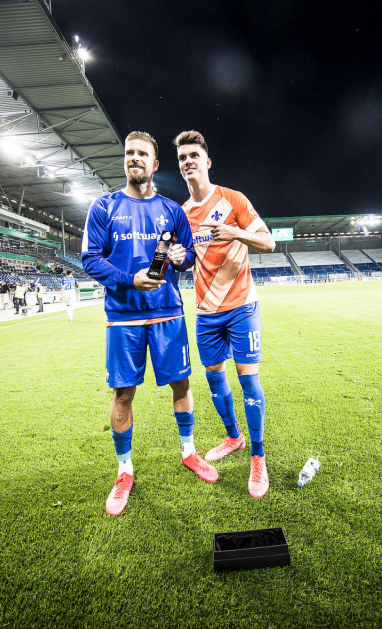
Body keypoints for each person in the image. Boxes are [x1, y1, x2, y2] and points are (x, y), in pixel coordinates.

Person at [81, 130, 216, 517]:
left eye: (142, 153)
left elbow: (187, 257)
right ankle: (124, 471)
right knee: (123, 394)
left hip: (167, 313)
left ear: (155, 164)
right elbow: (90, 258)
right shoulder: (104, 207)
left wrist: (181, 257)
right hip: (123, 317)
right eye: (129, 153)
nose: (134, 158)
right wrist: (130, 279)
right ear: (124, 160)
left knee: (181, 384)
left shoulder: (172, 211)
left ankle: (189, 452)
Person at [174, 130, 277, 498]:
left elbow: (268, 242)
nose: (188, 162)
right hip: (206, 313)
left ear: (207, 161)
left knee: (249, 381)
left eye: (193, 156)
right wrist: (178, 258)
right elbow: (187, 259)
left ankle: (257, 456)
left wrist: (234, 232)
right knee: (214, 380)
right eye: (182, 157)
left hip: (241, 306)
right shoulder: (182, 214)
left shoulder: (233, 199)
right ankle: (233, 437)